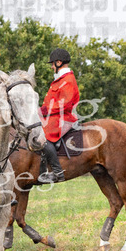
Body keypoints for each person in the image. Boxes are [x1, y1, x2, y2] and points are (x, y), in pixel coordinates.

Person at [37, 48, 80, 184]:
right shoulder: (61, 79)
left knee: (42, 137)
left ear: (59, 62)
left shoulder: (67, 79)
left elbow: (65, 104)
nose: (51, 66)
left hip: (63, 118)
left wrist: (44, 110)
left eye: (52, 64)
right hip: (54, 116)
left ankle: (57, 172)